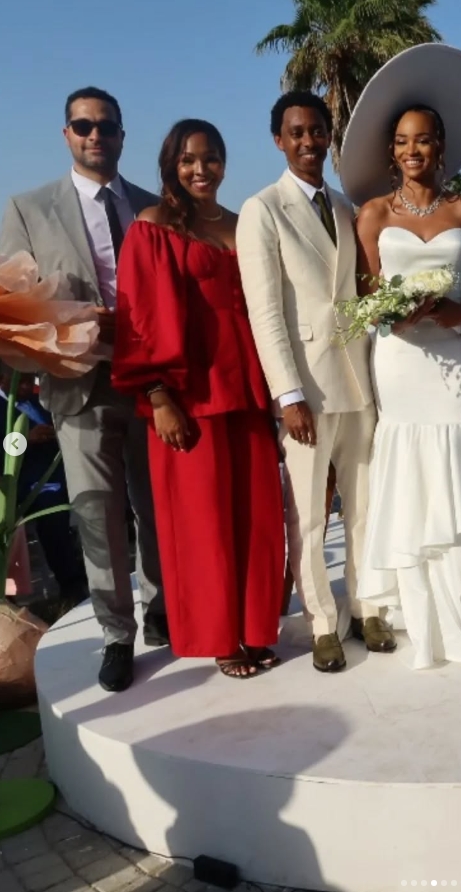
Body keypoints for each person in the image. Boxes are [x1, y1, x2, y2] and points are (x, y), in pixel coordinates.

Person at [338, 44, 461, 670]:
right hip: (398, 361)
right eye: (404, 141)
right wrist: (391, 311)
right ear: (392, 150)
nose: (414, 151)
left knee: (453, 453)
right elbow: (365, 289)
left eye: (425, 141)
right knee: (407, 463)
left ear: (442, 148)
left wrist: (456, 310)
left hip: (449, 357)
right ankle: (417, 610)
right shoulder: (373, 214)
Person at [0, 86, 166, 693]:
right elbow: (12, 304)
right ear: (66, 134)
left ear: (123, 134)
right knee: (96, 512)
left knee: (154, 505)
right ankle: (116, 635)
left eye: (107, 126)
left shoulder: (152, 207)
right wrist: (68, 334)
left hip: (152, 382)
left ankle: (161, 608)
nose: (96, 135)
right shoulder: (27, 207)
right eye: (83, 125)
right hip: (78, 384)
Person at [111, 119, 286, 678]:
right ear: (171, 164)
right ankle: (219, 636)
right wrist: (159, 396)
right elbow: (138, 317)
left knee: (257, 518)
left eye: (210, 159)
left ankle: (255, 627)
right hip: (192, 396)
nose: (200, 169)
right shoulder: (153, 227)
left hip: (249, 391)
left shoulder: (242, 223)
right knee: (202, 524)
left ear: (224, 162)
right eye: (188, 160)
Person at [237, 92, 392, 673]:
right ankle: (323, 622)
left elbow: (353, 291)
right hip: (306, 387)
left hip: (358, 380)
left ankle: (368, 605)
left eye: (318, 131)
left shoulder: (345, 206)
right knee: (308, 513)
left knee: (365, 506)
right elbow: (266, 311)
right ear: (279, 139)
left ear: (330, 135)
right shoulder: (263, 208)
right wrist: (288, 395)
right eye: (297, 132)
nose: (309, 142)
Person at [0, 371, 88, 617]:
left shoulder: (39, 404)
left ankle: (71, 584)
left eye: (30, 381)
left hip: (46, 483)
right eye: (22, 381)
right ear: (3, 380)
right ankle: (8, 599)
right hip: (10, 488)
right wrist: (25, 439)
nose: (28, 386)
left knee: (53, 514)